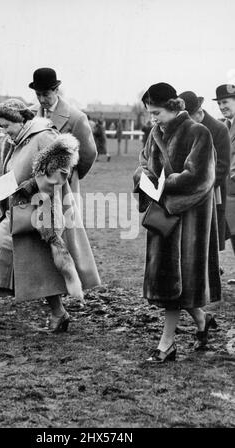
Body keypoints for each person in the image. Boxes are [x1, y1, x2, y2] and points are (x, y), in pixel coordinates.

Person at [0, 99, 100, 333]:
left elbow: (62, 171)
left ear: (21, 119)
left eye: (7, 125)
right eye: (1, 126)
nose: (4, 131)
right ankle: (57, 313)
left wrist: (32, 185)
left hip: (40, 213)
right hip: (20, 212)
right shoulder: (19, 140)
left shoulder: (43, 137)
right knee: (37, 263)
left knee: (13, 257)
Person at [133, 82, 221, 363]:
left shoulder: (198, 133)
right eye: (149, 113)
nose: (152, 119)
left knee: (175, 283)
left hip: (189, 220)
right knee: (173, 283)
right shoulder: (154, 133)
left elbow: (200, 178)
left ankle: (167, 344)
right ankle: (202, 319)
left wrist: (164, 187)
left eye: (156, 112)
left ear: (173, 107)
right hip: (164, 219)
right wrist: (144, 179)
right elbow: (144, 164)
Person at [179, 91, 231, 252]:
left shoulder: (219, 129)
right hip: (188, 193)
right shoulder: (187, 129)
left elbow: (222, 167)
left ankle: (212, 271)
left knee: (210, 238)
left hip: (212, 195)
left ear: (199, 112)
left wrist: (200, 186)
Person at [28, 67, 97, 182]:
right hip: (31, 185)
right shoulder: (29, 115)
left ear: (56, 90)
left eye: (45, 94)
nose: (41, 99)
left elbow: (89, 154)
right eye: (38, 94)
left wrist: (70, 176)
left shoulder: (77, 118)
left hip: (62, 187)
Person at [213, 84, 235, 283]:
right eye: (219, 103)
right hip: (229, 189)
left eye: (225, 102)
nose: (222, 106)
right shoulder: (226, 125)